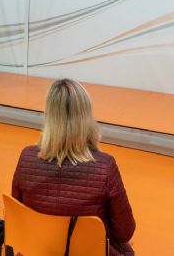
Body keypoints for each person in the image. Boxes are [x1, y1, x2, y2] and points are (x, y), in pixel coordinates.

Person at [12, 78, 135, 256]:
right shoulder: (105, 166)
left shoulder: (26, 158)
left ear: (49, 116)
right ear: (87, 117)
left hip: (39, 251)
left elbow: (18, 217)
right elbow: (125, 232)